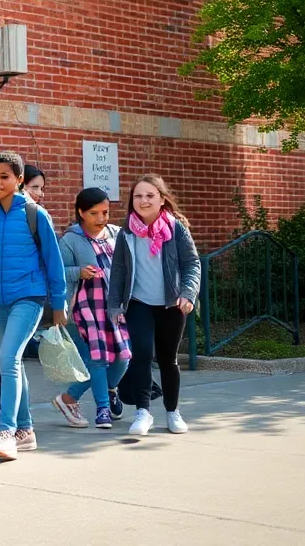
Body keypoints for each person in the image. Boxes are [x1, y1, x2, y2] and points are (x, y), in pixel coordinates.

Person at [0, 151, 67, 461]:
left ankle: (6, 431)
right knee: (14, 362)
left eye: (4, 176)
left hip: (29, 297)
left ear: (19, 180)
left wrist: (59, 303)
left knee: (7, 358)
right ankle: (26, 431)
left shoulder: (36, 214)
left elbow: (53, 261)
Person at [108, 174, 200, 436]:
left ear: (161, 199)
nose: (143, 200)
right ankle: (143, 411)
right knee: (142, 354)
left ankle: (172, 412)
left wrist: (188, 294)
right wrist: (115, 305)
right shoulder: (126, 232)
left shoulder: (176, 228)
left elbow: (192, 264)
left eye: (150, 195)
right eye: (138, 196)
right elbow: (119, 271)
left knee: (168, 359)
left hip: (171, 305)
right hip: (139, 303)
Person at [52, 187, 130, 430]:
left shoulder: (118, 234)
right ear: (81, 213)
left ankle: (77, 396)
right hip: (85, 308)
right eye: (94, 213)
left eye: (105, 212)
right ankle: (102, 408)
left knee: (123, 357)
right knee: (97, 359)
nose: (101, 219)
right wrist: (79, 272)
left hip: (115, 308)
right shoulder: (70, 240)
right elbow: (57, 274)